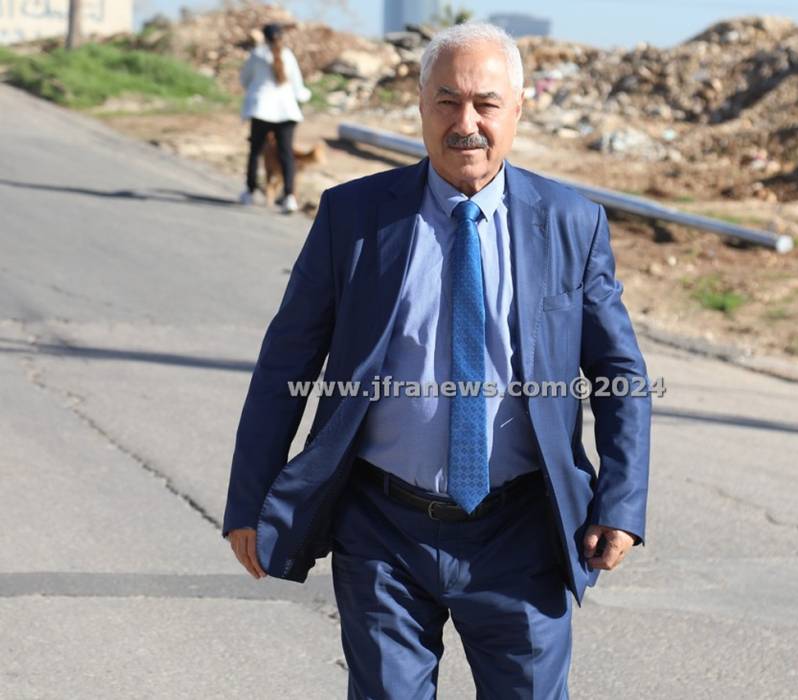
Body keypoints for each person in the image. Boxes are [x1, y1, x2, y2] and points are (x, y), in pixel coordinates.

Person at [222, 21, 651, 699]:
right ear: (421, 106)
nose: (466, 123)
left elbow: (619, 374)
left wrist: (620, 502)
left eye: (486, 103)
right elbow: (287, 362)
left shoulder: (571, 222)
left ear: (517, 109)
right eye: (447, 101)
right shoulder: (354, 217)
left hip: (523, 533)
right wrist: (250, 499)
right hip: (382, 530)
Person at [238, 22, 311, 214]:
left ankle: (249, 191)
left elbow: (244, 80)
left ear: (264, 37)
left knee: (255, 151)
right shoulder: (288, 55)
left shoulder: (257, 54)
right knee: (286, 154)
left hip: (261, 109)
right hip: (286, 111)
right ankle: (290, 197)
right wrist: (304, 97)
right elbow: (298, 87)